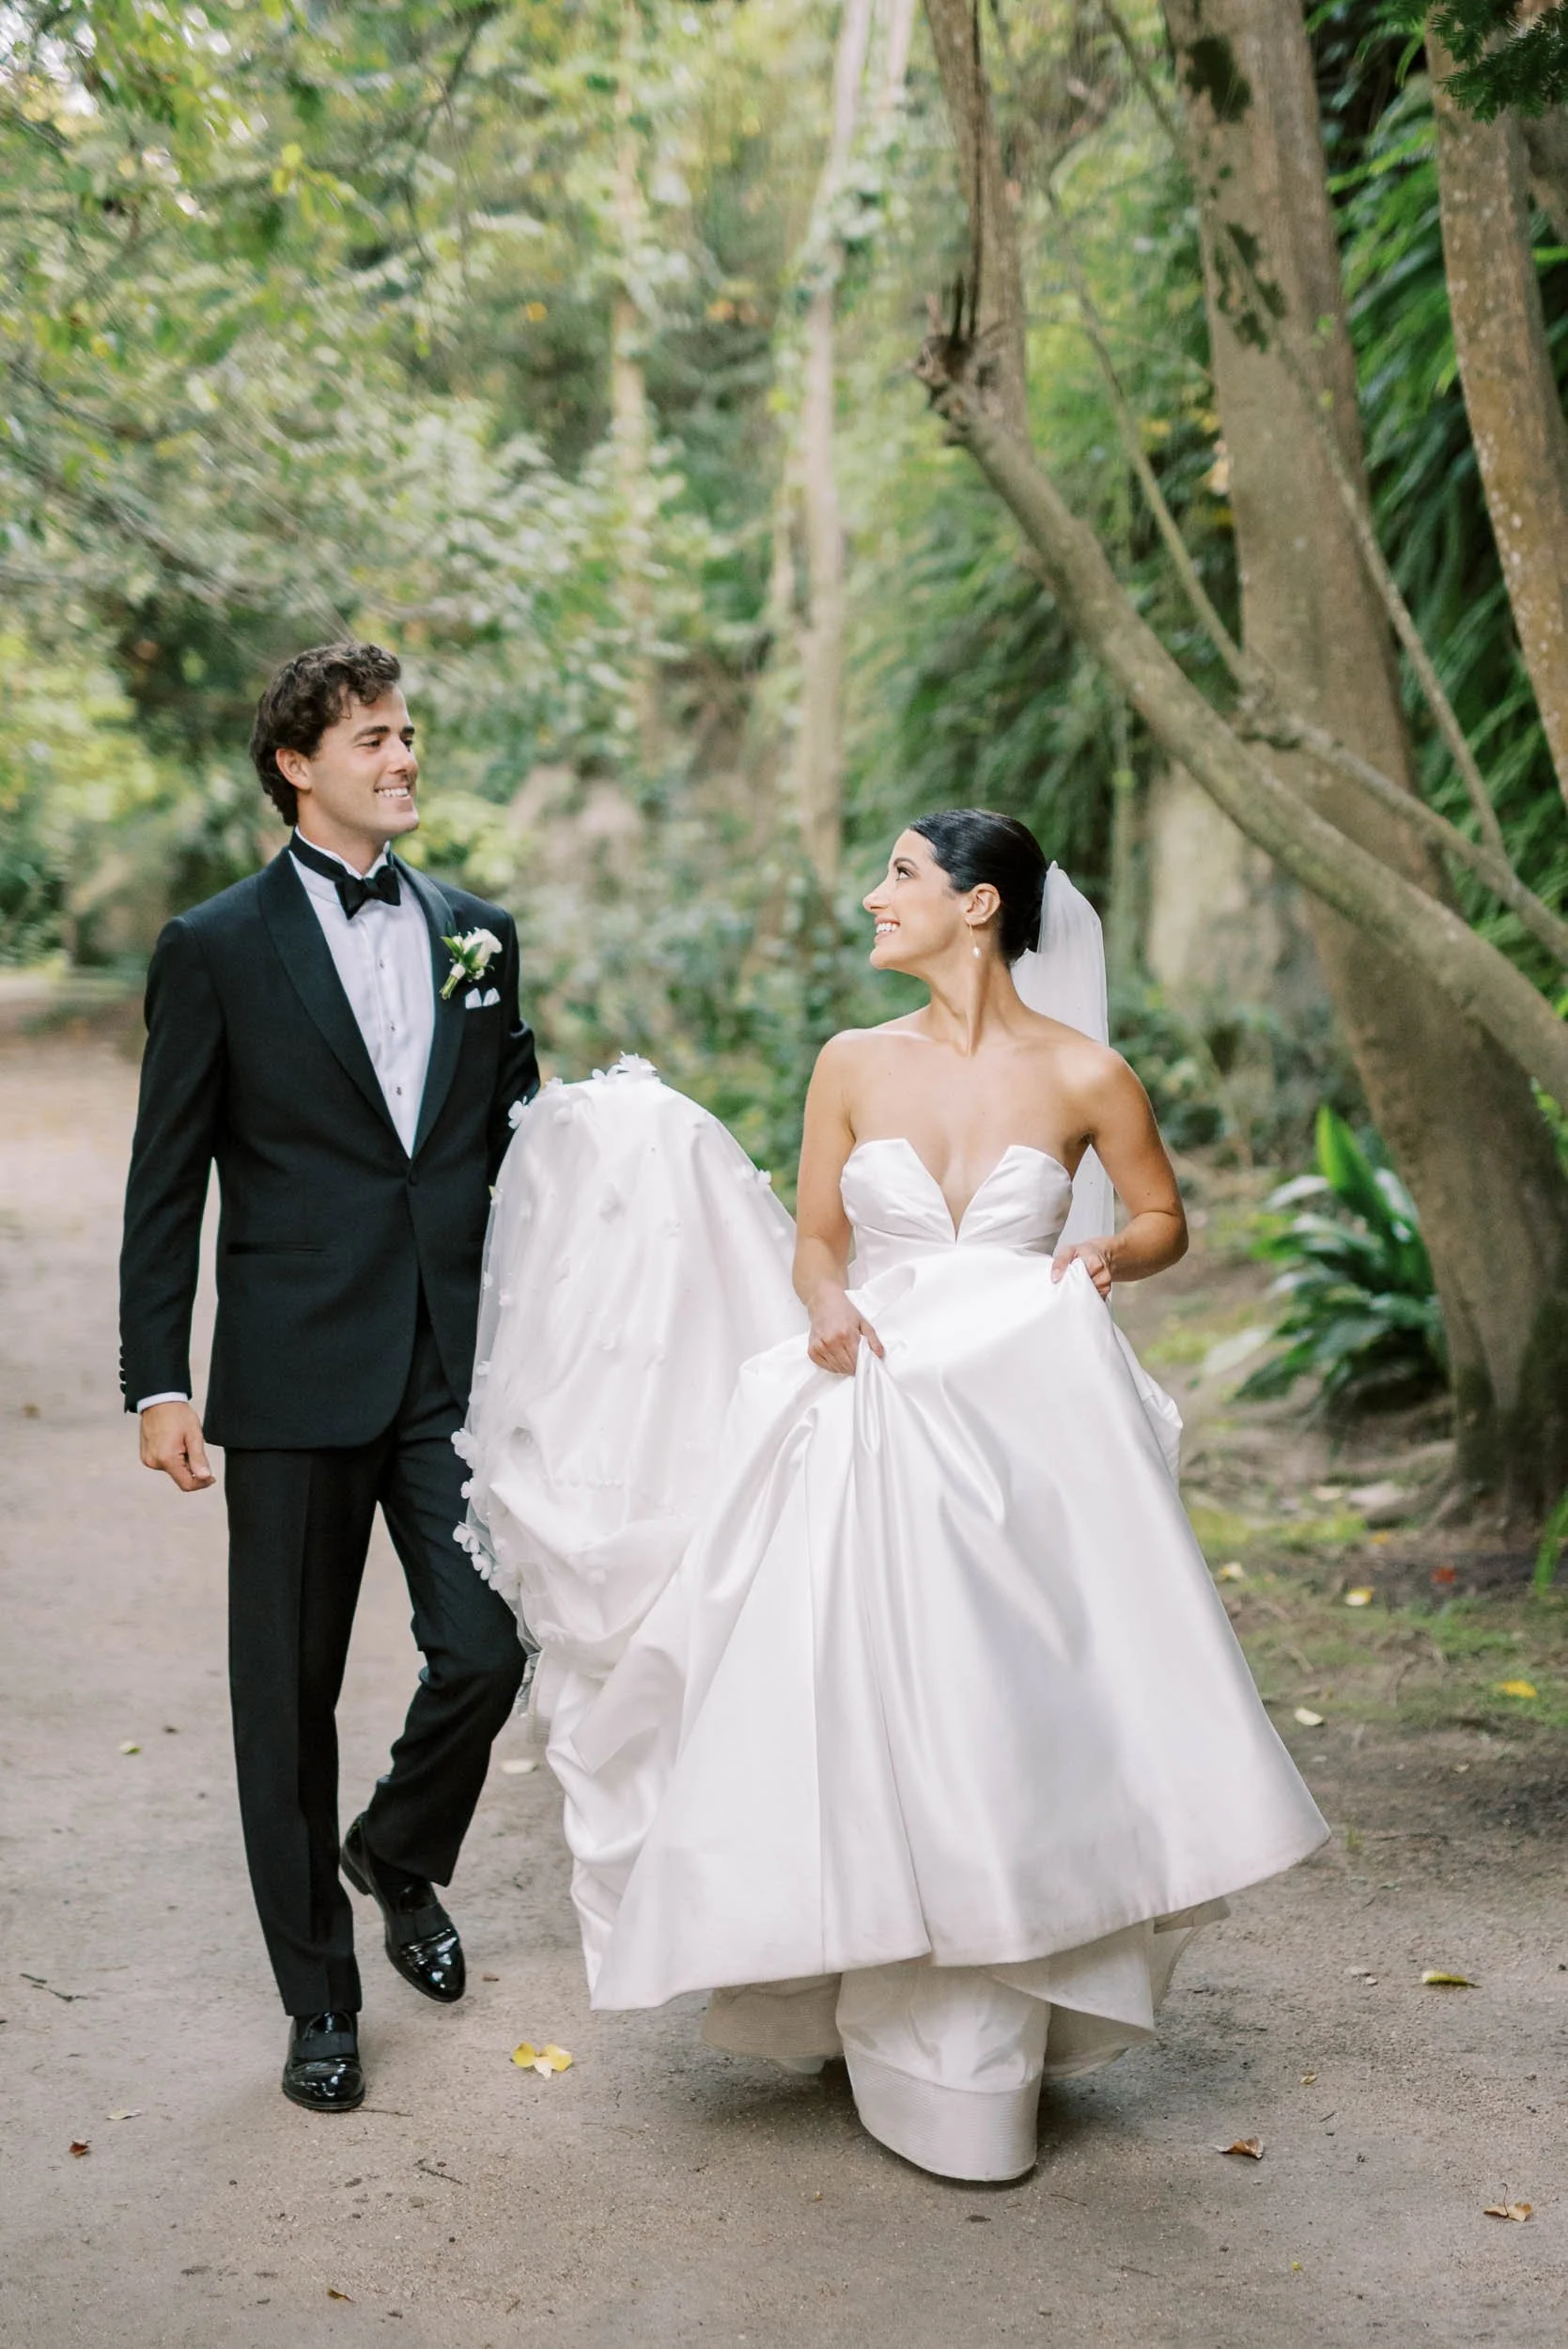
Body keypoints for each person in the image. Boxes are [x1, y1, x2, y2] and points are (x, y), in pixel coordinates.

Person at [459, 808, 1327, 2183]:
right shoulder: (852, 1063)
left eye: (903, 876)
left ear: (979, 906)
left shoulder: (1087, 1073)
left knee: (1016, 1703)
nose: (876, 896)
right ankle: (877, 1986)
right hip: (872, 1402)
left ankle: (1009, 1992)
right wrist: (821, 1307)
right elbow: (819, 1237)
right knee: (860, 1697)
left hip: (1030, 1422)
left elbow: (1163, 1218)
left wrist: (1108, 1259)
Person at [119, 641, 536, 2113]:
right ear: (299, 764)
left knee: (489, 1647)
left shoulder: (478, 930)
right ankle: (319, 1996)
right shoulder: (216, 945)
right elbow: (166, 1178)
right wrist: (155, 1378)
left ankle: (399, 1852)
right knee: (283, 1700)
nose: (404, 755)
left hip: (448, 1365)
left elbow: (521, 1141)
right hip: (292, 1373)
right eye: (374, 736)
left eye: (410, 732)